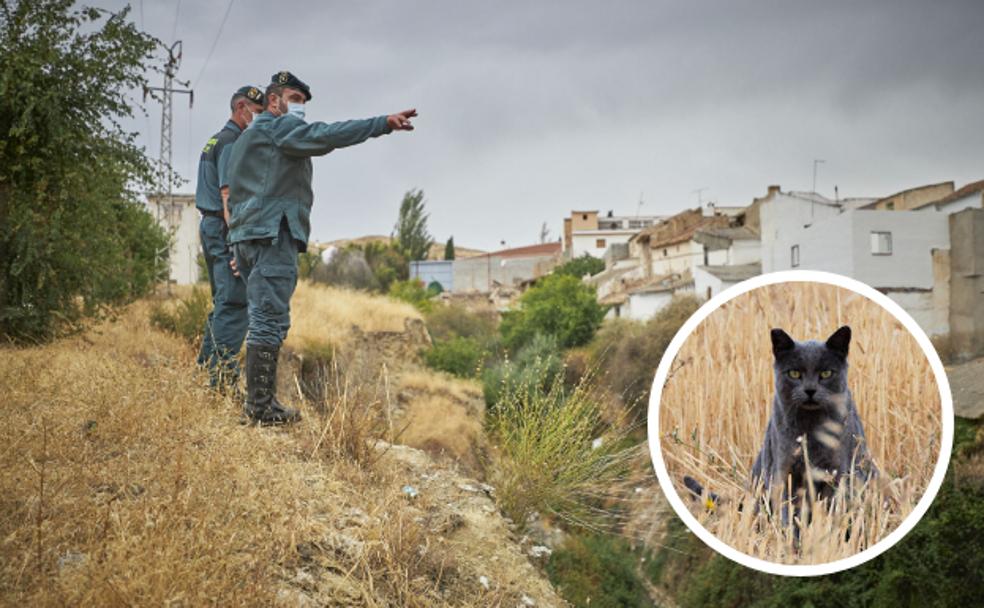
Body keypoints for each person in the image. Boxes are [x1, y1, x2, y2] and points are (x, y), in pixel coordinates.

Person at [224, 70, 416, 425]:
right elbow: (327, 135)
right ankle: (260, 408)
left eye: (303, 103)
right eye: (295, 100)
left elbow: (233, 195)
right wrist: (382, 124)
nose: (300, 108)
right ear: (273, 101)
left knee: (268, 317)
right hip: (273, 235)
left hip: (248, 237)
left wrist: (235, 243)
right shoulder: (279, 129)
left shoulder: (246, 138)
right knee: (268, 321)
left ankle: (263, 403)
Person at [194, 85, 265, 391]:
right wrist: (238, 244)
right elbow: (228, 194)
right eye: (257, 113)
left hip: (211, 226)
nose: (259, 119)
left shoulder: (215, 139)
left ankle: (205, 373)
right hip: (224, 229)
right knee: (235, 303)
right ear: (241, 108)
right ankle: (220, 381)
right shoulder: (233, 142)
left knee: (224, 303)